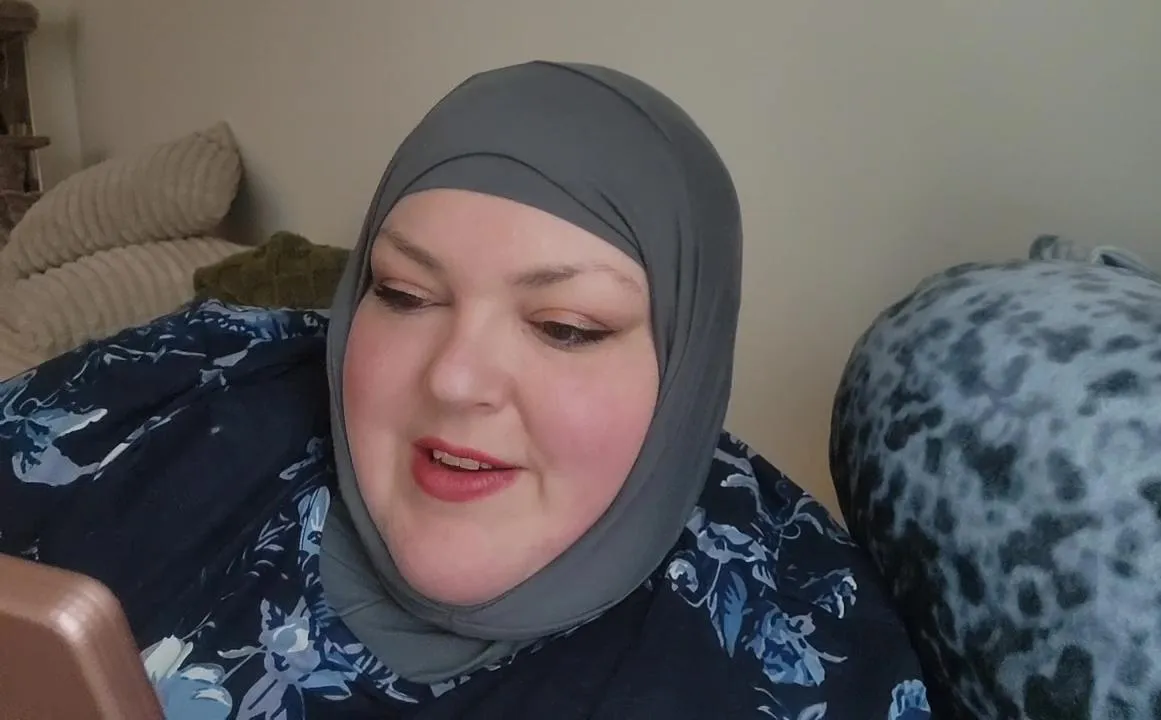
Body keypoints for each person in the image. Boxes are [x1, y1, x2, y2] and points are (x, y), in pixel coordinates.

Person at [0, 61, 932, 719]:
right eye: (403, 294)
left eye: (565, 327)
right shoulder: (191, 383)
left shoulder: (806, 649)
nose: (452, 376)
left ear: (688, 372)